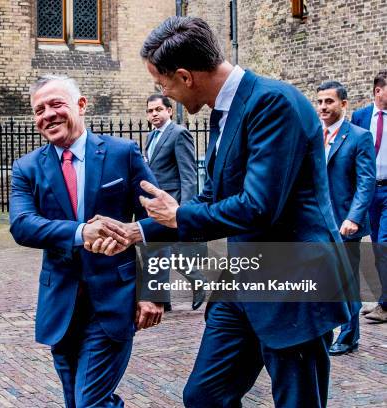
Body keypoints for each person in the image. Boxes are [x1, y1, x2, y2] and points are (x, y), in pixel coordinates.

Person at [89, 16, 354, 407]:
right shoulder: (224, 111)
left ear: (184, 76)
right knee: (204, 396)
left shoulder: (273, 102)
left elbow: (258, 206)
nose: (164, 94)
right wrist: (137, 232)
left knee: (298, 400)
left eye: (162, 85)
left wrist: (180, 216)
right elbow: (212, 194)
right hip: (241, 282)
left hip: (293, 284)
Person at [9, 75, 167, 407]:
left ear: (81, 106)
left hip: (114, 300)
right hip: (61, 305)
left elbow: (160, 221)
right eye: (39, 110)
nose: (47, 115)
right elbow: (22, 225)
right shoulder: (27, 168)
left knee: (89, 403)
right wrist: (82, 233)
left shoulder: (121, 153)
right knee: (78, 401)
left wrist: (154, 292)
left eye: (56, 104)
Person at [316, 80, 375, 355]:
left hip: (345, 222)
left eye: (329, 101)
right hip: (318, 221)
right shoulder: (315, 135)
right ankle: (324, 330)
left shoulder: (359, 136)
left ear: (343, 104)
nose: (323, 107)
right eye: (320, 102)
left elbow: (366, 182)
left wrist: (353, 217)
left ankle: (350, 335)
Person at [144, 94, 206, 310]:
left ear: (169, 111)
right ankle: (163, 301)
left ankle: (199, 281)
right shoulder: (150, 138)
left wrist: (184, 210)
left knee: (175, 253)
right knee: (156, 251)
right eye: (150, 111)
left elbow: (188, 176)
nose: (154, 114)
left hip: (174, 206)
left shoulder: (179, 134)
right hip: (156, 206)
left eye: (158, 109)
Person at [351, 70, 387, 323]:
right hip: (368, 191)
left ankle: (385, 305)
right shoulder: (361, 116)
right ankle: (383, 299)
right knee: (376, 246)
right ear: (378, 91)